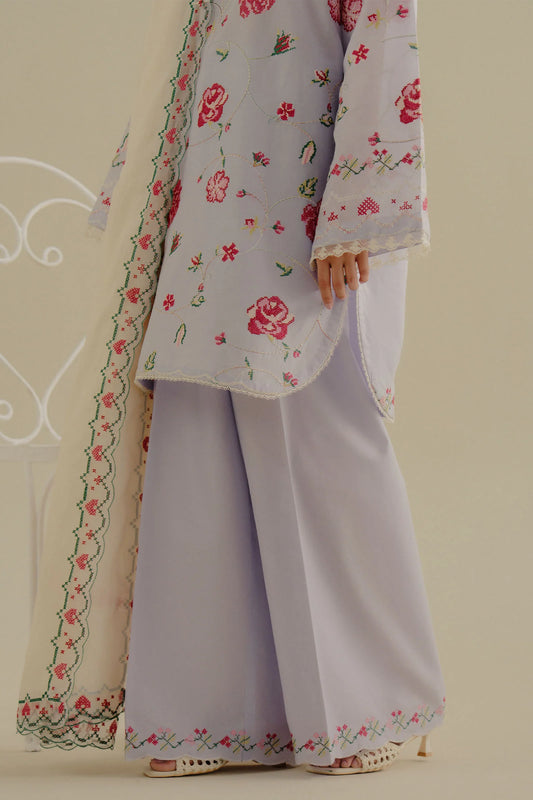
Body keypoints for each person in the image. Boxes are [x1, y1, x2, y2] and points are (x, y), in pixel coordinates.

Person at [16, 0, 446, 778]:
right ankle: (204, 721)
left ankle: (361, 708)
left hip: (310, 228)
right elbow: (176, 84)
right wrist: (140, 210)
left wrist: (354, 214)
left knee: (315, 456)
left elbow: (386, 52)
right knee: (194, 467)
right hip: (202, 227)